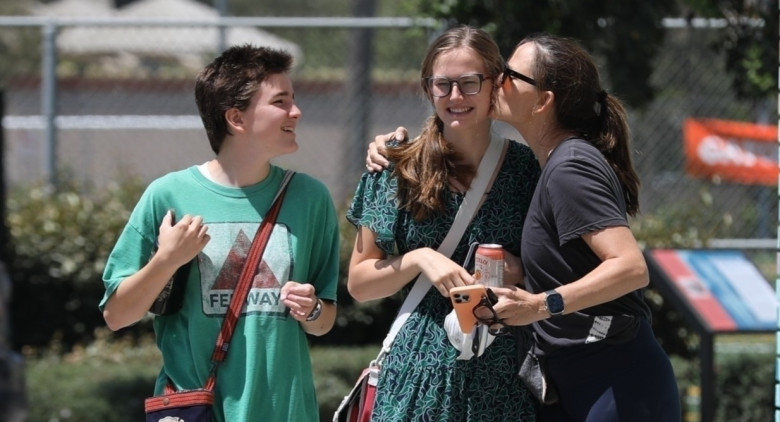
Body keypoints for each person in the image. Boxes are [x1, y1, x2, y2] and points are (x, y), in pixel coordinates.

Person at [367, 32, 681, 422]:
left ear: (543, 101)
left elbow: (630, 268)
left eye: (511, 75)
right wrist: (521, 270)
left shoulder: (569, 165)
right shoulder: (550, 165)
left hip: (612, 378)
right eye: (441, 84)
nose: (498, 80)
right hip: (580, 378)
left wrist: (540, 304)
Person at [99, 45, 340, 422]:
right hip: (195, 411)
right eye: (280, 101)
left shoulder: (310, 198)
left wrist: (312, 310)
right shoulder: (168, 195)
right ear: (236, 118)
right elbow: (116, 314)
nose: (296, 111)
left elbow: (325, 321)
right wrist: (167, 260)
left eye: (294, 99)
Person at [347, 25, 539, 421]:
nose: (455, 97)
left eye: (469, 83)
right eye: (442, 84)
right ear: (427, 88)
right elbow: (360, 283)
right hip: (415, 377)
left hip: (502, 376)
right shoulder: (396, 165)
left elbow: (558, 270)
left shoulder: (528, 170)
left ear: (495, 86)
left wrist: (518, 270)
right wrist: (419, 259)